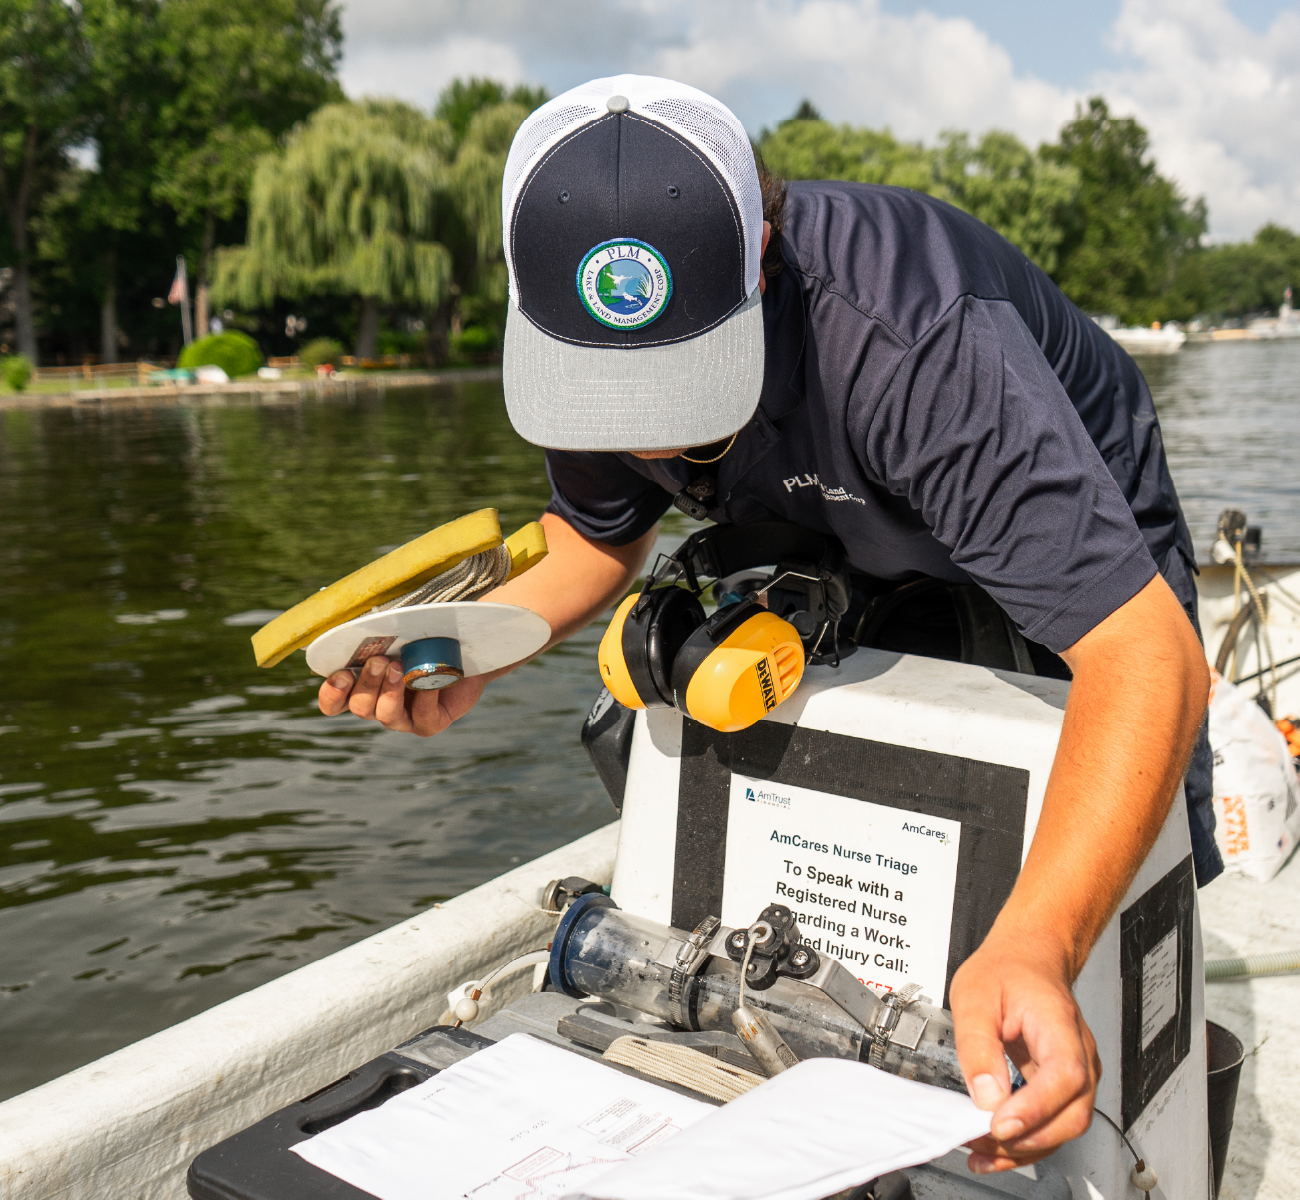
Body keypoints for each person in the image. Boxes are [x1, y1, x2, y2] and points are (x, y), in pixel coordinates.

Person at [318, 75, 1213, 1175]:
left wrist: (1040, 939)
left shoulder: (915, 342)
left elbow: (1143, 656)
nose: (645, 438)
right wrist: (458, 648)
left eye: (675, 387)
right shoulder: (591, 326)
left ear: (755, 260)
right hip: (820, 524)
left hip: (1047, 546)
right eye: (612, 397)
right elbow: (597, 536)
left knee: (1081, 890)